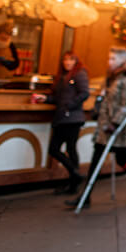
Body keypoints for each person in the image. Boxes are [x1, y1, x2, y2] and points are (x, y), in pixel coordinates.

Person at [65, 47, 126, 208]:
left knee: (121, 158)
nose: (109, 62)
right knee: (97, 158)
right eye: (109, 58)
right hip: (106, 125)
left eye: (112, 59)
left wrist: (115, 123)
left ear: (121, 62)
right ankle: (85, 196)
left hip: (117, 127)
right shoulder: (112, 77)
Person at [32, 52, 90, 195]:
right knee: (56, 149)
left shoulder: (79, 74)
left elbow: (84, 93)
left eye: (70, 60)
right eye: (65, 60)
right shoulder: (62, 77)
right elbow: (58, 97)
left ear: (76, 61)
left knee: (69, 149)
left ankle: (74, 180)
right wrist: (45, 99)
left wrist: (69, 105)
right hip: (62, 117)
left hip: (72, 117)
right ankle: (75, 174)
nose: (67, 62)